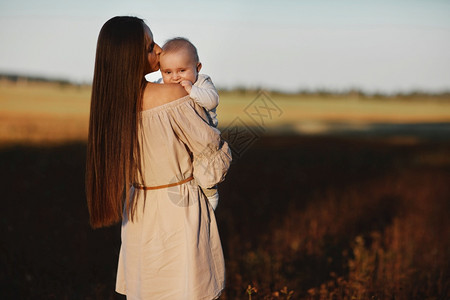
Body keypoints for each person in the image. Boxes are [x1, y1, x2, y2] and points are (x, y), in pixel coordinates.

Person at [85, 16, 232, 300]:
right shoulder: (173, 95)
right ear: (132, 55)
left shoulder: (109, 107)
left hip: (138, 212)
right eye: (151, 46)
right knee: (188, 290)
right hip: (181, 210)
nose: (159, 51)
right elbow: (210, 148)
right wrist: (212, 178)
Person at [157, 37, 220, 210]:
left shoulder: (201, 82)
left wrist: (192, 90)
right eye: (167, 72)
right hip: (181, 139)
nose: (175, 77)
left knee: (205, 171)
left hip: (203, 139)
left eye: (182, 71)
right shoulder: (162, 86)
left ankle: (210, 195)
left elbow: (212, 101)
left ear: (197, 68)